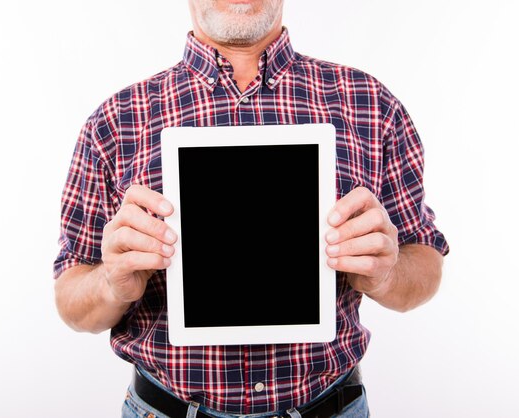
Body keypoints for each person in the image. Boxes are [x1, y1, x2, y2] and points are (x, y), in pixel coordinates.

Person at [53, 0, 449, 416]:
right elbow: (71, 299)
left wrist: (386, 274)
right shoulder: (116, 121)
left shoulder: (369, 104)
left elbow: (424, 261)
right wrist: (112, 284)